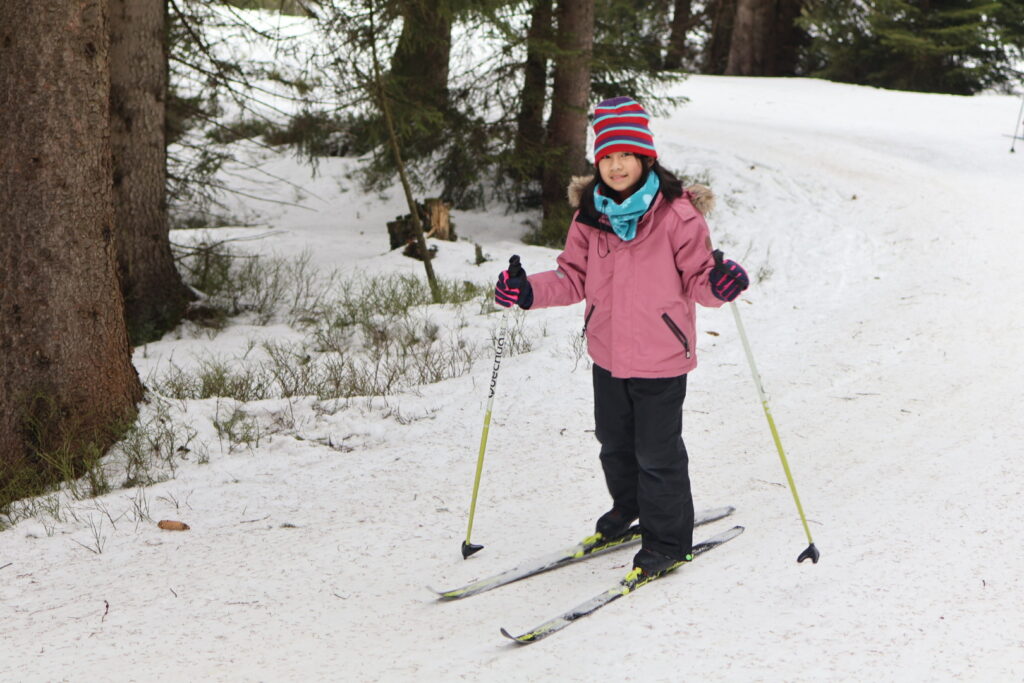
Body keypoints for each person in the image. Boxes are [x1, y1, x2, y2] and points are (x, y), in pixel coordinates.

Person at [494, 96, 749, 579]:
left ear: (645, 158)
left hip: (661, 358)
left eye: (625, 155)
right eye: (607, 156)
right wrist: (526, 292)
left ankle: (668, 542)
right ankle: (629, 511)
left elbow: (699, 279)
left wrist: (718, 286)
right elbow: (572, 278)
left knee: (657, 453)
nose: (615, 165)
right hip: (608, 354)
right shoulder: (591, 216)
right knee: (614, 444)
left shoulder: (678, 216)